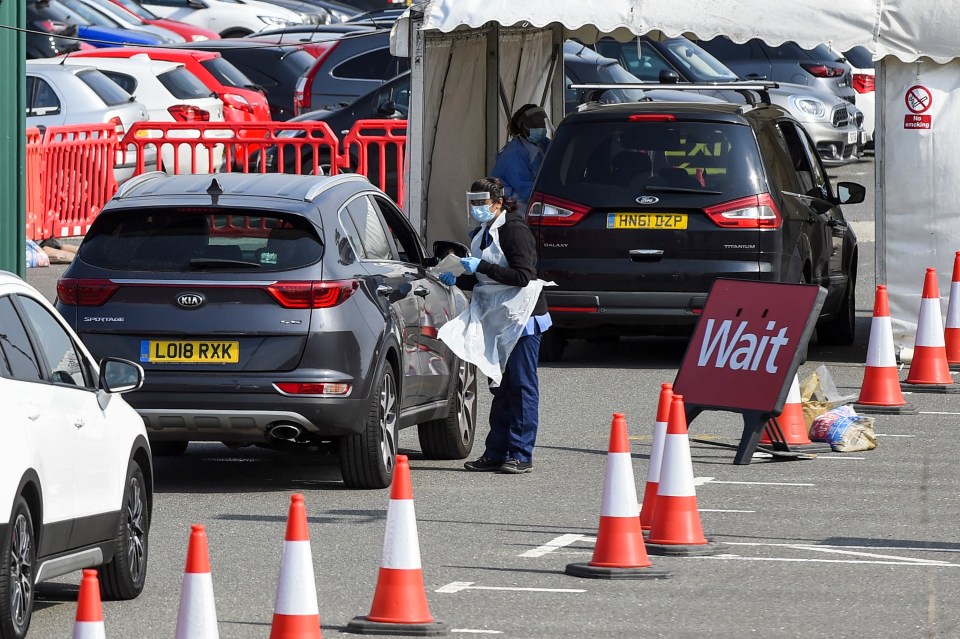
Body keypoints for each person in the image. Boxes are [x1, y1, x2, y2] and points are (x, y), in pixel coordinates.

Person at [437, 177, 551, 474]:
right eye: (472, 203)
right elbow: (485, 276)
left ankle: (520, 453)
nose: (476, 208)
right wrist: (457, 277)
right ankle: (496, 452)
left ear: (498, 203)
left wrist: (480, 267)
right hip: (496, 317)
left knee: (522, 386)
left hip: (521, 317)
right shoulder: (482, 232)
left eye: (481, 203)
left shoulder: (514, 229)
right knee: (500, 386)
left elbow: (522, 276)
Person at [490, 104, 551, 213]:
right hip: (512, 205)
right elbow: (526, 189)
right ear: (523, 128)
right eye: (536, 126)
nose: (541, 129)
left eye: (542, 124)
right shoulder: (513, 154)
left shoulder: (542, 144)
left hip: (529, 200)